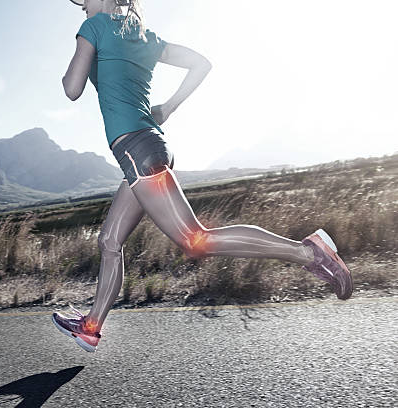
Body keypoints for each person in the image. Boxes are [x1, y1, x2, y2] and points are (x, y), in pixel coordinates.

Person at [52, 0, 353, 353]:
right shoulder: (144, 37)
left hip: (137, 150)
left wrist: (84, 37)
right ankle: (90, 327)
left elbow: (71, 88)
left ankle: (309, 252)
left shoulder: (94, 28)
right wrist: (167, 108)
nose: (81, 5)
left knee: (196, 240)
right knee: (109, 240)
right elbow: (200, 63)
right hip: (148, 147)